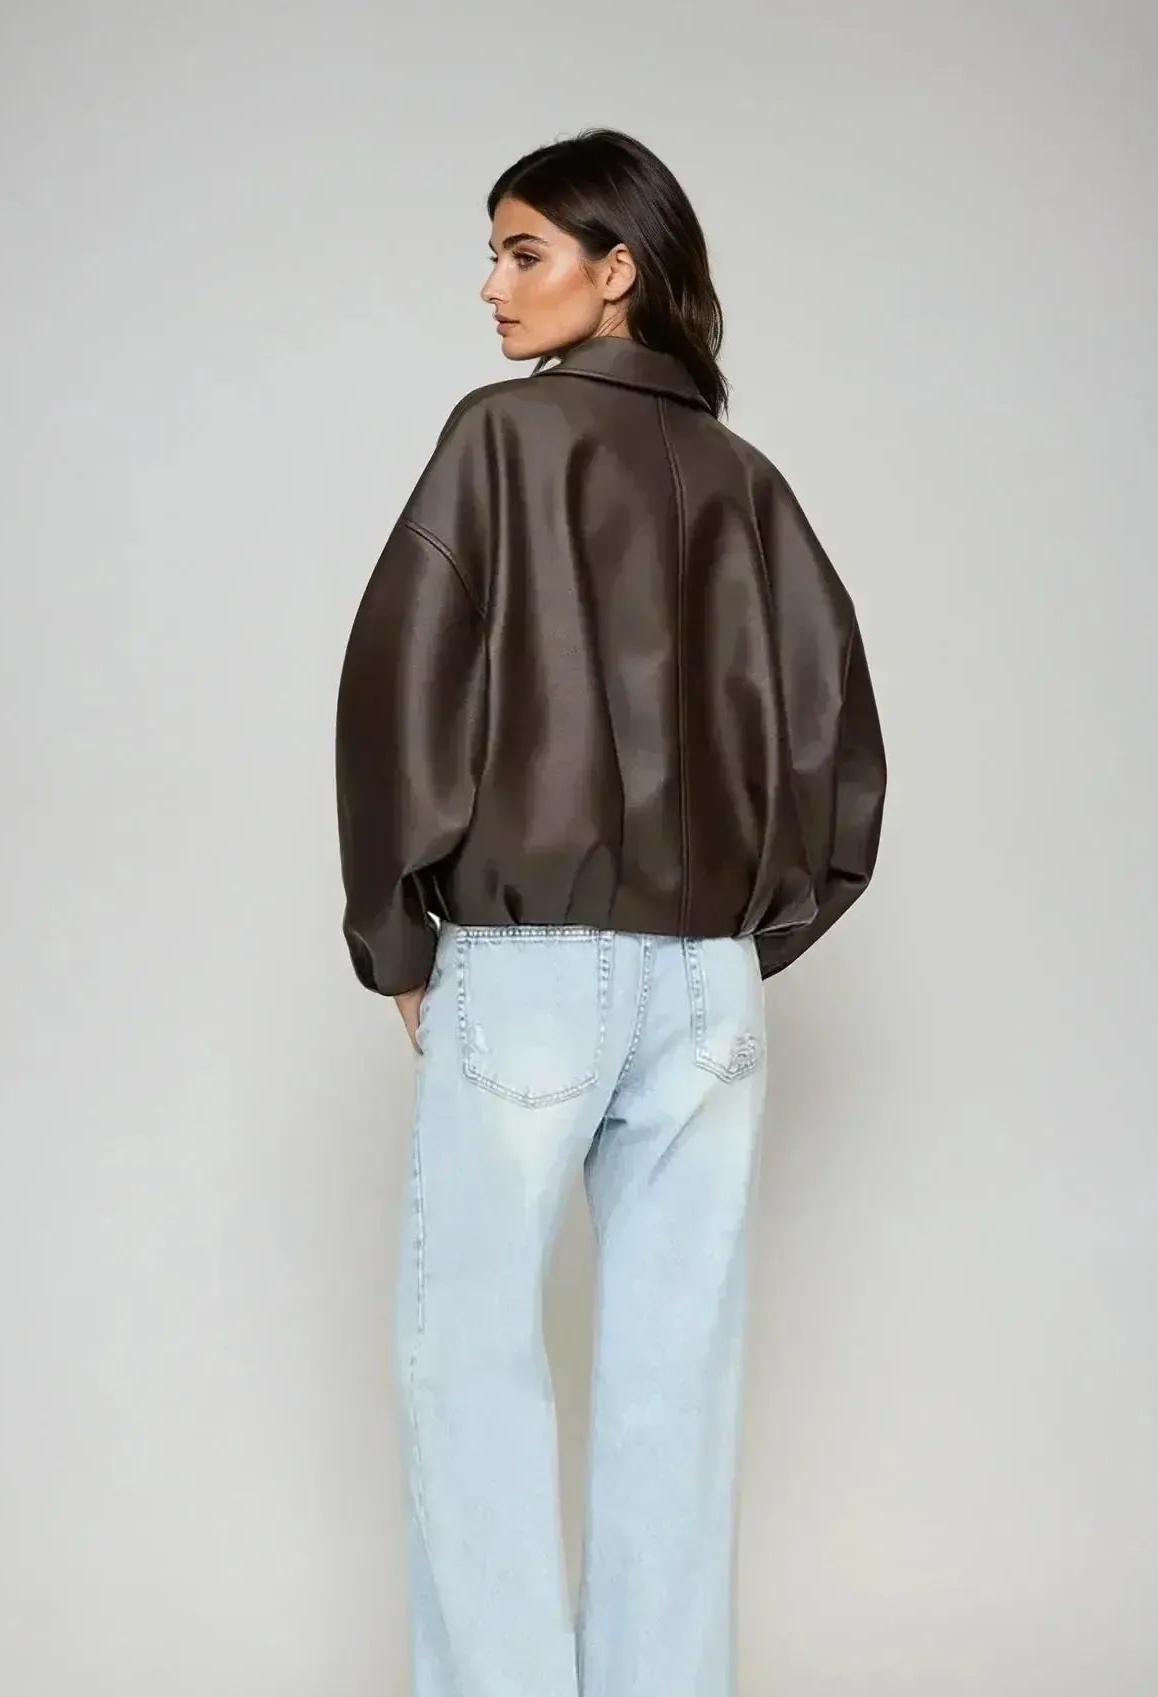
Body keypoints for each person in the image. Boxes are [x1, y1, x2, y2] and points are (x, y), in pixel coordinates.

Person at [334, 126, 887, 1697]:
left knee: (472, 1370)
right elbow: (837, 749)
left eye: (523, 252)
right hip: (706, 985)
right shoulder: (747, 484)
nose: (491, 287)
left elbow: (398, 691)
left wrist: (397, 932)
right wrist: (747, 938)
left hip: (529, 967)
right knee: (673, 1383)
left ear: (616, 268)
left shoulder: (501, 441)